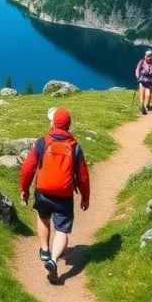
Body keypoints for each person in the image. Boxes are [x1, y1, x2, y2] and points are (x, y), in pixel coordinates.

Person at [20, 107, 91, 284]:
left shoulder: (43, 142)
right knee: (62, 230)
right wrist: (85, 197)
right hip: (64, 195)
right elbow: (83, 176)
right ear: (68, 125)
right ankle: (53, 259)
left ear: (53, 123)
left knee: (43, 217)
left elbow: (28, 168)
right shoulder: (75, 147)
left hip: (43, 191)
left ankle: (45, 250)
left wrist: (24, 189)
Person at [135, 50, 152, 115]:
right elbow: (137, 69)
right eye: (147, 56)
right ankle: (142, 105)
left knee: (148, 94)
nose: (148, 58)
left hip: (150, 81)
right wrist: (137, 77)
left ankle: (145, 106)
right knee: (142, 93)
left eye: (149, 56)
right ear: (145, 56)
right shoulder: (141, 62)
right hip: (142, 79)